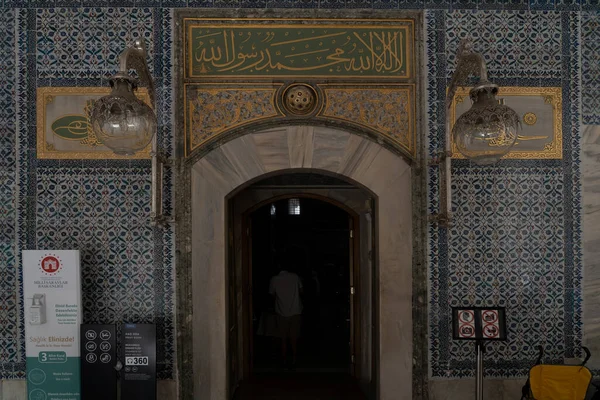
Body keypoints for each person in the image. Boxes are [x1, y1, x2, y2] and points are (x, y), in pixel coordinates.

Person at [269, 264, 303, 369]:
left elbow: (271, 294)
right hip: (296, 311)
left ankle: (283, 360)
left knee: (283, 338)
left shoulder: (274, 279)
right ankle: (294, 359)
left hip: (281, 311)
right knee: (294, 338)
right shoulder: (295, 277)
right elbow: (301, 291)